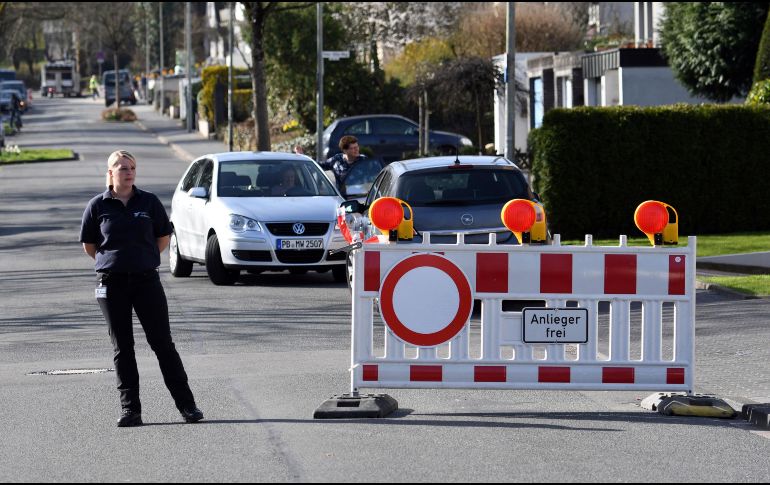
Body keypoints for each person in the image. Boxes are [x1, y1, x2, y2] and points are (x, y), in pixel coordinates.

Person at [79, 150, 203, 427]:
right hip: (111, 284)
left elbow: (162, 238)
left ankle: (188, 407)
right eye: (122, 167)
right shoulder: (97, 206)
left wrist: (142, 259)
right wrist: (115, 262)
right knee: (123, 347)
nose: (128, 171)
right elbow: (91, 247)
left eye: (132, 167)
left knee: (163, 344)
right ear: (110, 173)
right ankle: (130, 410)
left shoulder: (149, 202)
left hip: (146, 281)